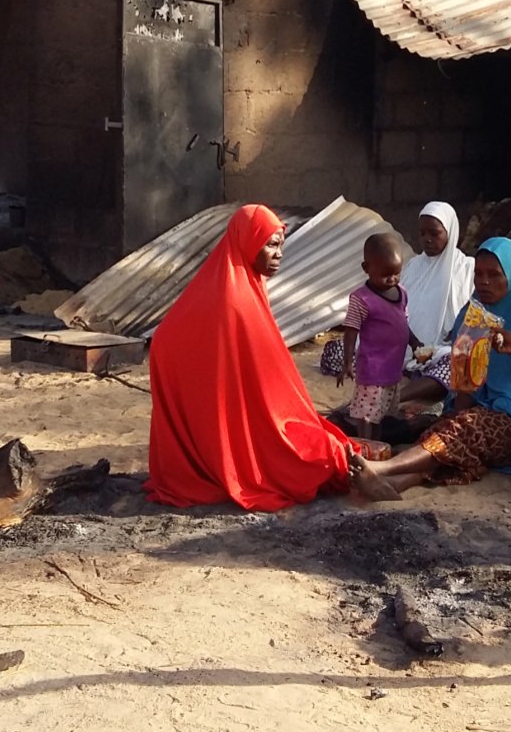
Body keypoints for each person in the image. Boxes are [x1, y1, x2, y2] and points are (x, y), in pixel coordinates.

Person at [145, 204, 397, 510]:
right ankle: (376, 473)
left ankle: (379, 471)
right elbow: (264, 380)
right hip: (250, 422)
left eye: (281, 245)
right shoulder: (235, 299)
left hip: (240, 417)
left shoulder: (235, 284)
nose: (278, 254)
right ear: (247, 242)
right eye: (271, 245)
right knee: (314, 454)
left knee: (323, 443)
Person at [358, 239, 511, 491]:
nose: (483, 282)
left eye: (494, 275)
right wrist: (457, 411)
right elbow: (464, 383)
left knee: (468, 429)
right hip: (478, 408)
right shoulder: (473, 313)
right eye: (478, 273)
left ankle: (383, 469)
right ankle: (399, 482)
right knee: (450, 428)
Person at [336, 233, 423, 442]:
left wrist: (414, 342)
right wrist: (347, 362)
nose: (392, 279)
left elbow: (402, 322)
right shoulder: (361, 299)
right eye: (386, 274)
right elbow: (351, 330)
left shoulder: (401, 293)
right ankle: (365, 448)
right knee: (367, 415)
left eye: (397, 273)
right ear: (366, 268)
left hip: (393, 369)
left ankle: (378, 445)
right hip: (373, 370)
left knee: (382, 413)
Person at [400, 200, 474, 382]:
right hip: (406, 344)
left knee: (454, 361)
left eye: (434, 233)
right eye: (422, 233)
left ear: (450, 232)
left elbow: (471, 313)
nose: (427, 239)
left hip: (445, 347)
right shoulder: (413, 266)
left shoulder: (465, 268)